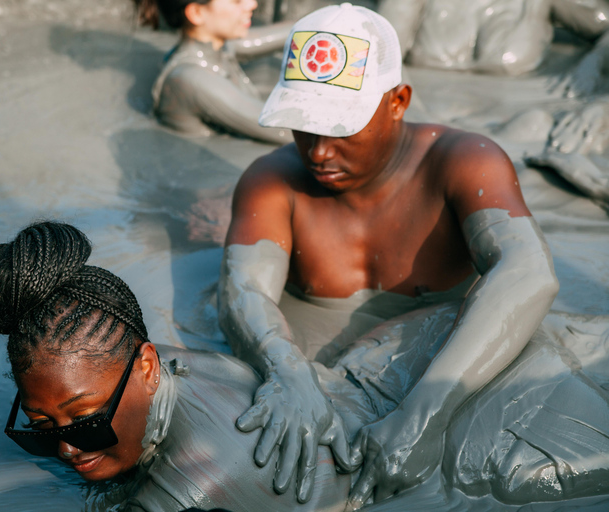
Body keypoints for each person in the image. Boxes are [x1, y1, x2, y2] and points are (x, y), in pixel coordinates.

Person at [217, 3, 576, 507]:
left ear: (398, 101)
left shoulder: (463, 162)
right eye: (302, 125)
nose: (318, 151)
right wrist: (285, 370)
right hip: (328, 373)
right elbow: (243, 288)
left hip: (444, 366)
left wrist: (425, 416)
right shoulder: (272, 182)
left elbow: (528, 273)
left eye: (340, 128)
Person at [0, 221, 363, 511]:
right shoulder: (120, 359)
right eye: (38, 430)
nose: (67, 448)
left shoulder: (196, 482)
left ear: (147, 367)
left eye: (87, 420)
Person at [133, 0, 293, 143]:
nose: (252, 4)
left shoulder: (220, 48)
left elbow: (294, 31)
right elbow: (285, 129)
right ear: (196, 13)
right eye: (236, 1)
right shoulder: (191, 79)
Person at [378, 0, 609, 76]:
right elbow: (378, 57)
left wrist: (594, 63)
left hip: (522, 130)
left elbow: (602, 23)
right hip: (422, 126)